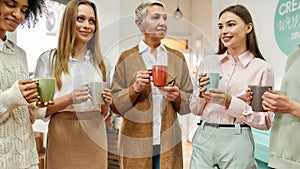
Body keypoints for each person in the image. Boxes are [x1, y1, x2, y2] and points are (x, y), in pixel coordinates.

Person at [189, 4, 274, 169]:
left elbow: (264, 121)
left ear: (248, 27)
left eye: (231, 24)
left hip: (237, 140)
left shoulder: (261, 69)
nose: (224, 31)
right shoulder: (209, 63)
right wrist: (200, 95)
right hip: (204, 136)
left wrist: (230, 102)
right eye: (221, 26)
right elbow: (195, 109)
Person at [111, 1, 193, 169]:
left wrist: (177, 96)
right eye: (155, 17)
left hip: (169, 143)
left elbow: (189, 104)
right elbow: (115, 105)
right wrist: (134, 90)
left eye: (165, 18)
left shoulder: (177, 58)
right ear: (139, 24)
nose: (162, 22)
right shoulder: (126, 58)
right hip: (135, 143)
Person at [34, 0, 112, 168]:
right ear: (69, 21)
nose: (87, 25)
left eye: (92, 21)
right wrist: (69, 99)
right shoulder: (47, 60)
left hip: (95, 134)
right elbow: (38, 110)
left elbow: (104, 113)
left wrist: (106, 105)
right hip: (62, 133)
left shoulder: (103, 64)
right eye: (80, 19)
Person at [0, 0, 49, 169]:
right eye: (10, 5)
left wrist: (36, 106)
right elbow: (11, 99)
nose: (18, 15)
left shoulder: (19, 54)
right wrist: (12, 97)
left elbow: (24, 114)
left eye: (24, 10)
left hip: (27, 159)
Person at [259, 44, 300, 169]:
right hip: (280, 157)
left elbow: (293, 105)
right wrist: (275, 99)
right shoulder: (294, 56)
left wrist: (292, 107)